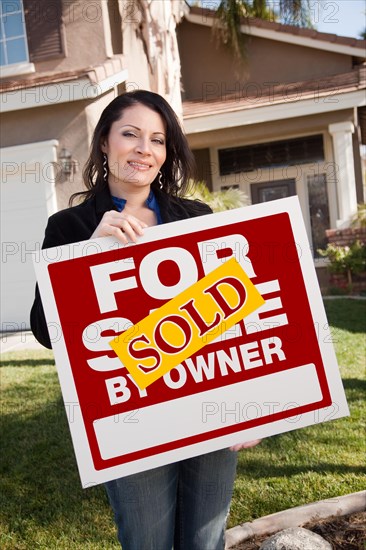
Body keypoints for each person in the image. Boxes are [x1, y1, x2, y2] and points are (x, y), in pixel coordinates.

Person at [30, 90, 260, 550]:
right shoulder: (69, 227)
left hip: (207, 402)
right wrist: (88, 255)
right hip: (130, 416)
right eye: (130, 134)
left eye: (157, 140)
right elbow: (44, 330)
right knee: (147, 541)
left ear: (166, 153)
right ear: (104, 144)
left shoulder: (196, 217)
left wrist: (246, 405)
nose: (143, 149)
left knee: (205, 540)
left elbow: (232, 317)